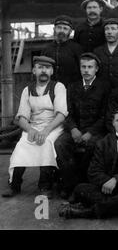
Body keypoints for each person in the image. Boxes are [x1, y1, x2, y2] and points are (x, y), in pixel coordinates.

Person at [59, 104, 118, 219]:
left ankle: (90, 212)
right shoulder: (103, 142)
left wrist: (116, 181)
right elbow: (93, 171)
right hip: (108, 189)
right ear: (113, 123)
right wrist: (108, 182)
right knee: (80, 188)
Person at [2, 56, 68, 199]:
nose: (43, 71)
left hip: (53, 126)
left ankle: (45, 185)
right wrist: (30, 130)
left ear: (51, 72)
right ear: (33, 71)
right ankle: (14, 184)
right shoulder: (27, 90)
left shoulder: (58, 87)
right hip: (33, 126)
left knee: (46, 143)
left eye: (47, 68)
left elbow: (61, 115)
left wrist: (45, 131)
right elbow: (21, 117)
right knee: (21, 145)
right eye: (40, 67)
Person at [54, 53, 110, 197]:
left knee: (93, 145)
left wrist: (90, 133)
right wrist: (73, 129)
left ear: (96, 69)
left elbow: (105, 116)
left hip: (95, 131)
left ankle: (85, 184)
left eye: (90, 67)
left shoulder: (104, 87)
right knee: (60, 144)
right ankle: (69, 185)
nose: (86, 70)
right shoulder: (73, 87)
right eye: (83, 67)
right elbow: (68, 112)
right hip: (76, 129)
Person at [42, 15, 83, 87]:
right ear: (54, 29)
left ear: (70, 31)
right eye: (59, 28)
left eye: (65, 29)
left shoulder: (77, 49)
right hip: (50, 90)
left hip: (71, 90)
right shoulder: (46, 49)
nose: (62, 31)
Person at [93, 18, 118, 88]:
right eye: (107, 29)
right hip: (101, 90)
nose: (109, 32)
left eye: (113, 29)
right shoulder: (97, 51)